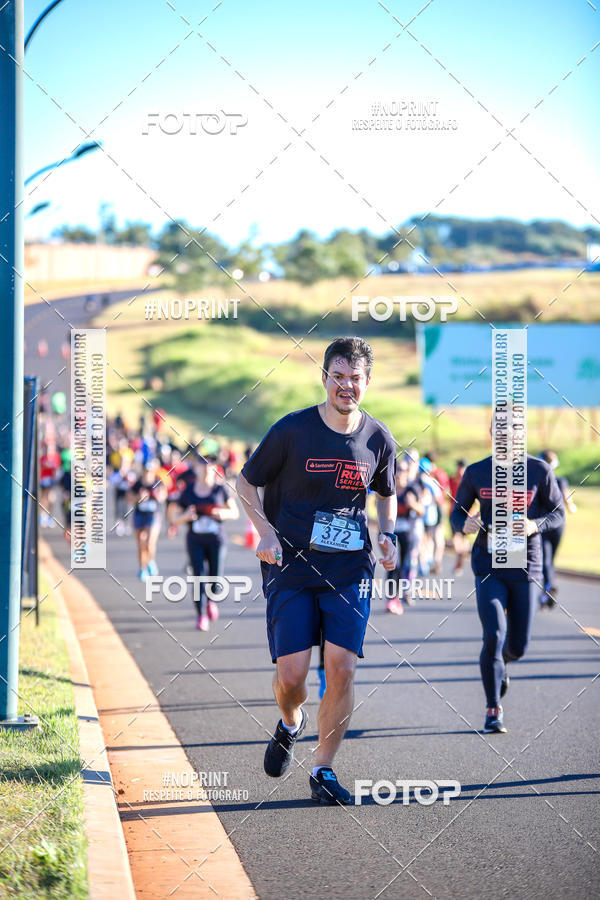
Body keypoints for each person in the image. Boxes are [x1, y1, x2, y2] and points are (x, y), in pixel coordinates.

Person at [236, 336, 397, 805]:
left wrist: (388, 535)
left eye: (355, 378)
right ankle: (290, 721)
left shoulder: (377, 438)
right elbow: (246, 482)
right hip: (290, 566)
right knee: (292, 678)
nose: (346, 386)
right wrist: (264, 531)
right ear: (324, 377)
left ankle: (323, 768)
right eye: (338, 376)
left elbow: (386, 492)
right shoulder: (291, 430)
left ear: (368, 381)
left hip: (349, 569)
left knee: (342, 668)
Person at [450, 422, 565, 734]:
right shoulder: (476, 472)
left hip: (526, 565)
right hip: (488, 564)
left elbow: (558, 514)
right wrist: (464, 525)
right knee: (494, 635)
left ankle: (501, 666)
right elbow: (456, 512)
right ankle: (493, 709)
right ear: (491, 435)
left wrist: (534, 526)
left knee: (517, 645)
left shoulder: (539, 471)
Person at [169, 455, 239, 631]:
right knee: (198, 577)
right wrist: (186, 517)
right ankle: (201, 615)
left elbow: (234, 512)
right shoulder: (188, 491)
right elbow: (174, 518)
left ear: (214, 468)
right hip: (195, 539)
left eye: (210, 465)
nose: (206, 468)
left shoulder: (220, 490)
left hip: (216, 540)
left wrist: (222, 514)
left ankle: (211, 600)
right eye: (203, 465)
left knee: (216, 579)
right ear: (197, 468)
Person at [538, 450, 576, 608]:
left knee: (545, 559)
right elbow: (569, 503)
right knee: (550, 559)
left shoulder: (538, 480)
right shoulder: (560, 481)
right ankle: (547, 589)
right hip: (559, 525)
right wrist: (572, 506)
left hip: (544, 524)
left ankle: (548, 588)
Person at [386, 459, 424, 614]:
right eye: (397, 470)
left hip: (407, 533)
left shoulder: (412, 489)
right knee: (391, 565)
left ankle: (400, 596)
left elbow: (422, 510)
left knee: (403, 565)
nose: (400, 473)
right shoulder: (390, 489)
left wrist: (413, 505)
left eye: (403, 470)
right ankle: (391, 599)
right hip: (391, 532)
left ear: (407, 472)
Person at [128, 462, 167, 581]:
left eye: (150, 471)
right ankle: (142, 568)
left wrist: (158, 495)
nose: (148, 474)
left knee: (149, 542)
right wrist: (139, 498)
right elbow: (128, 499)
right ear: (143, 471)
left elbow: (163, 496)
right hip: (139, 515)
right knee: (141, 543)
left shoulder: (158, 483)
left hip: (153, 515)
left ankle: (151, 560)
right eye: (146, 471)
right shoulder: (137, 484)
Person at [449, 459, 469, 576]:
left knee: (464, 540)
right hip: (454, 513)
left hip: (467, 514)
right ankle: (459, 557)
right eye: (459, 467)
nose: (460, 470)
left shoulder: (468, 480)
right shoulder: (452, 479)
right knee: (455, 540)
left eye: (462, 468)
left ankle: (460, 562)